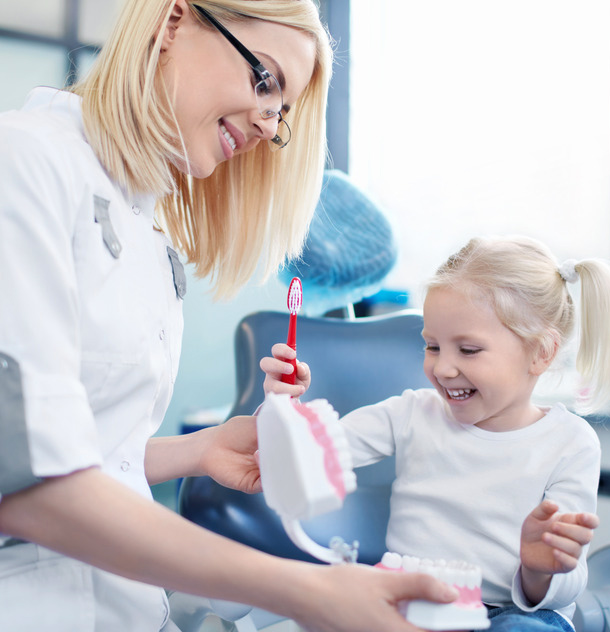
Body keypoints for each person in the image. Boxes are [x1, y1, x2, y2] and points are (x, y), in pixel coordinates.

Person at [0, 1, 460, 630]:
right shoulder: (25, 162)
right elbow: (27, 485)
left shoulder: (146, 227)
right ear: (172, 23)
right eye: (264, 81)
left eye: (280, 113)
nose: (270, 128)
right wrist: (305, 590)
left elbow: (96, 452)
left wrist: (202, 448)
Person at [262, 235, 610, 631]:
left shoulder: (570, 443)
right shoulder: (410, 413)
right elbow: (306, 452)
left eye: (468, 350)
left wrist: (539, 570)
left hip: (513, 614)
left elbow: (565, 588)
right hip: (411, 602)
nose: (443, 368)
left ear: (541, 353)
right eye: (432, 346)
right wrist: (282, 406)